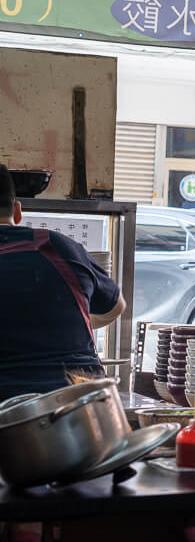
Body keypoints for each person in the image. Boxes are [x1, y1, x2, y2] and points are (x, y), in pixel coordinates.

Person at [0, 164, 125, 400]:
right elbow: (116, 306)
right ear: (18, 211)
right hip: (87, 407)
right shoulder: (57, 246)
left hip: (11, 415)